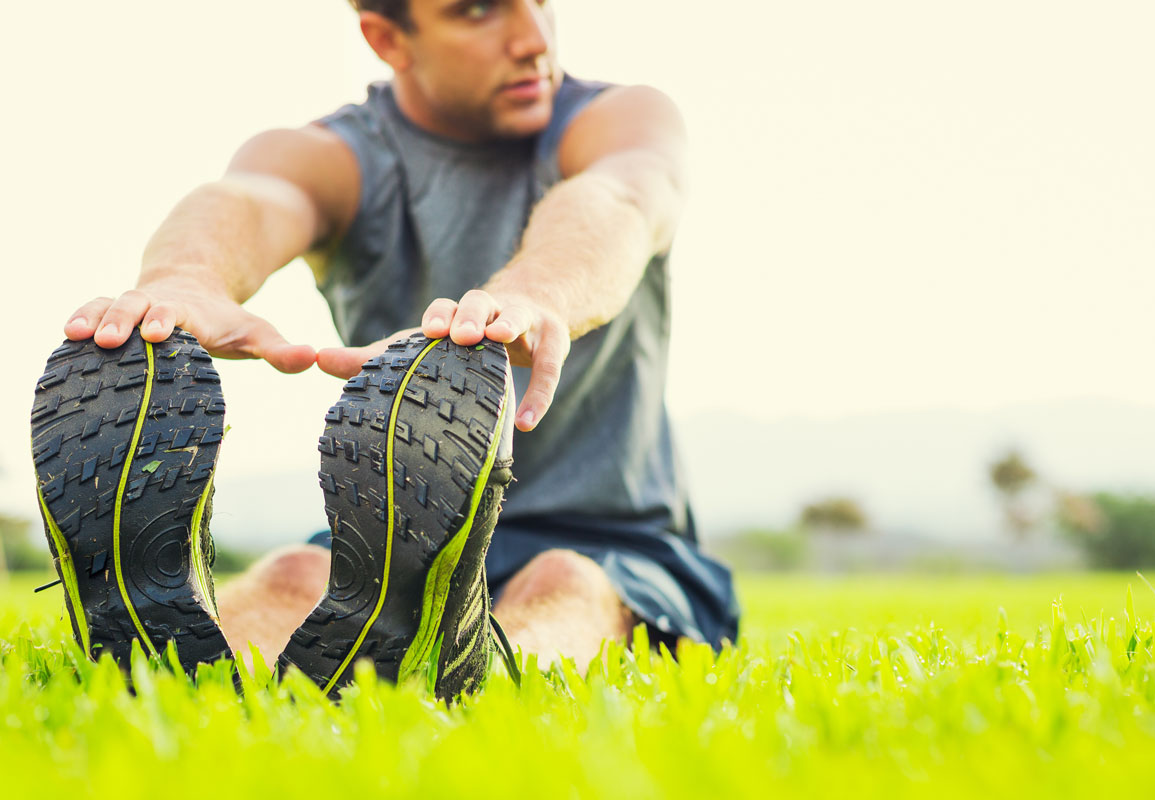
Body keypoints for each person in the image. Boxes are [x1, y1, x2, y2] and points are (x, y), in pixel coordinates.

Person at [35, 0, 738, 691]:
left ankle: (480, 677)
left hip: (614, 541)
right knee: (294, 575)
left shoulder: (620, 119)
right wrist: (184, 281)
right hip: (396, 547)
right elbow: (250, 197)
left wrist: (537, 296)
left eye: (540, 1)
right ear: (386, 38)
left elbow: (620, 199)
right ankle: (192, 679)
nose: (532, 38)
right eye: (478, 10)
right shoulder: (336, 155)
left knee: (569, 582)